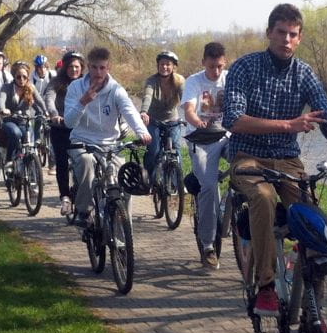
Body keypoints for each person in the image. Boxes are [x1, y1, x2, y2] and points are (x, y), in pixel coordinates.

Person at [223, 3, 327, 315]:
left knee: (311, 217)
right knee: (262, 198)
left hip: (288, 162)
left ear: (299, 39)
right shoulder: (244, 67)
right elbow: (234, 119)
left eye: (293, 34)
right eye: (281, 33)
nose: (286, 39)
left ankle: (312, 296)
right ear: (269, 33)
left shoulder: (304, 73)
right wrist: (288, 125)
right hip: (248, 157)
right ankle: (265, 286)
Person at [65, 46, 152, 228]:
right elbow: (69, 122)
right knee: (87, 163)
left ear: (108, 68)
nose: (98, 72)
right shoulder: (75, 87)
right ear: (88, 67)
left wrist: (142, 131)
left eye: (102, 68)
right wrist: (83, 102)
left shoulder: (116, 90)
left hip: (110, 144)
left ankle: (122, 230)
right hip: (82, 142)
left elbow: (129, 111)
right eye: (95, 67)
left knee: (124, 181)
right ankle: (84, 210)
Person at [182, 41, 228, 269]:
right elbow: (189, 109)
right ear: (203, 63)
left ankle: (237, 208)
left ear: (224, 63)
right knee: (209, 187)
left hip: (226, 136)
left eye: (219, 66)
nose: (216, 72)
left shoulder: (230, 78)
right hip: (201, 139)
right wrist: (197, 121)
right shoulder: (194, 81)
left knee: (251, 165)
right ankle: (208, 245)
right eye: (211, 67)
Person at [44, 51, 86, 215]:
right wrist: (54, 114)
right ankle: (65, 198)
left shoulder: (86, 82)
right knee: (61, 163)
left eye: (77, 66)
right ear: (65, 68)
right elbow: (49, 98)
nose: (74, 70)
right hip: (60, 128)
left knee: (85, 162)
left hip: (80, 130)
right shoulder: (57, 82)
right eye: (70, 66)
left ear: (81, 68)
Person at [140, 50, 184, 180]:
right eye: (162, 64)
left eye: (168, 64)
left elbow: (186, 99)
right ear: (158, 65)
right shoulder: (151, 81)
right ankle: (149, 178)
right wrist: (143, 111)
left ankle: (178, 181)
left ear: (173, 66)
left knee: (176, 149)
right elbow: (147, 96)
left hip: (173, 120)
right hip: (154, 120)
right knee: (153, 150)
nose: (165, 67)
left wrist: (191, 113)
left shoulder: (179, 81)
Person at [0, 61, 47, 166]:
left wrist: (46, 112)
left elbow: (40, 101)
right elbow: (1, 99)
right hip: (9, 120)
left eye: (24, 77)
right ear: (14, 76)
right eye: (18, 77)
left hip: (24, 121)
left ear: (28, 77)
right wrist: (3, 109)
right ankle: (9, 159)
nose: (21, 80)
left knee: (30, 144)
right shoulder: (7, 87)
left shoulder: (30, 88)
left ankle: (29, 169)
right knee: (16, 134)